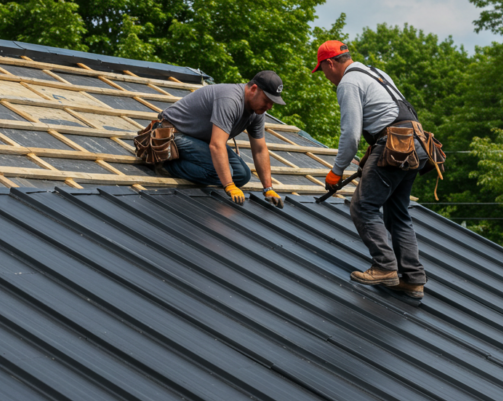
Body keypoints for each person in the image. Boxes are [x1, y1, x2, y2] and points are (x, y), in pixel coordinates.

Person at [313, 40, 427, 297]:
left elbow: (351, 134)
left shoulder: (349, 83)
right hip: (417, 144)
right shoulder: (375, 72)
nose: (326, 77)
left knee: (363, 206)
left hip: (396, 144)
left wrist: (337, 171)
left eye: (323, 71)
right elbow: (391, 116)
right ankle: (413, 279)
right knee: (397, 212)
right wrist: (375, 150)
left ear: (330, 63)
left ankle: (385, 266)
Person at [159, 71, 285, 208]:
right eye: (267, 101)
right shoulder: (230, 99)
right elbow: (217, 145)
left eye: (272, 103)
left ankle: (191, 163)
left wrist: (268, 189)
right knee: (222, 174)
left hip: (200, 140)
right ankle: (164, 163)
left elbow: (260, 149)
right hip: (172, 133)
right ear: (254, 89)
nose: (269, 106)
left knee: (243, 175)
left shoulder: (257, 112)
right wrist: (229, 185)